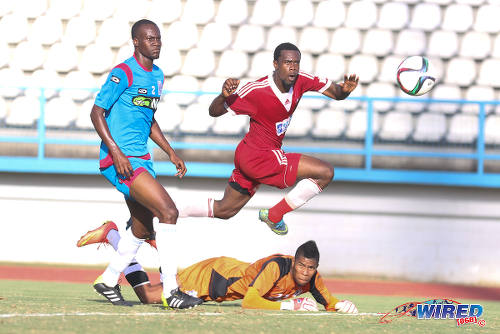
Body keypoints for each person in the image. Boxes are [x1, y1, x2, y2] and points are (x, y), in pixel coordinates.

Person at [177, 42, 359, 235]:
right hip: (259, 156)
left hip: (252, 154)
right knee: (325, 172)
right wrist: (222, 96)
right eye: (287, 62)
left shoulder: (301, 80)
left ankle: (171, 210)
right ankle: (274, 215)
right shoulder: (256, 90)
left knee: (225, 210)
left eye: (296, 62)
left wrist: (344, 91)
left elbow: (336, 93)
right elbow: (213, 112)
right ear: (275, 64)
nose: (293, 67)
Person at [89, 19, 202, 309]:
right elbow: (97, 112)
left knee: (141, 227)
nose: (156, 43)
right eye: (150, 38)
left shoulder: (158, 76)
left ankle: (109, 279)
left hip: (142, 159)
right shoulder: (123, 72)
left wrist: (171, 152)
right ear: (136, 42)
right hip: (122, 161)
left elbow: (148, 119)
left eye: (158, 38)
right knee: (168, 211)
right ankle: (172, 290)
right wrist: (116, 152)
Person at [77, 221, 358, 313]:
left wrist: (340, 305)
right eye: (302, 266)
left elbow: (327, 301)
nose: (306, 273)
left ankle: (143, 240)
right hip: (213, 276)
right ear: (294, 261)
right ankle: (114, 235)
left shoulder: (312, 278)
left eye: (311, 268)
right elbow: (250, 302)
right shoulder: (277, 267)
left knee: (150, 294)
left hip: (218, 287)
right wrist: (290, 306)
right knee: (149, 297)